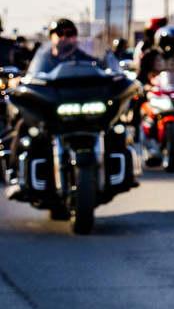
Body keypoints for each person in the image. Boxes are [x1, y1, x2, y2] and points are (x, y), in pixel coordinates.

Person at [8, 21, 107, 193]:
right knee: (23, 126)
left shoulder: (86, 59)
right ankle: (14, 175)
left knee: (116, 128)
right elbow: (30, 75)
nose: (64, 37)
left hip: (83, 110)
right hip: (52, 110)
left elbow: (104, 70)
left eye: (69, 33)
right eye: (59, 33)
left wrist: (114, 75)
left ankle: (122, 172)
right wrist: (20, 80)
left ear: (75, 36)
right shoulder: (43, 59)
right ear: (52, 36)